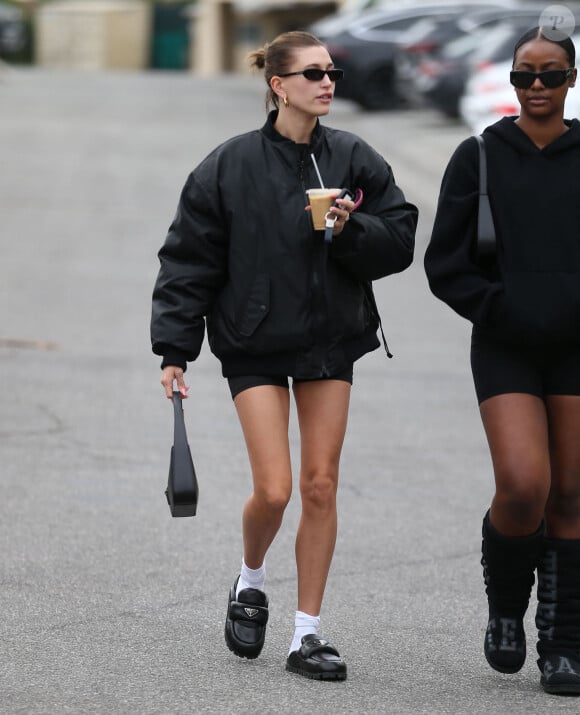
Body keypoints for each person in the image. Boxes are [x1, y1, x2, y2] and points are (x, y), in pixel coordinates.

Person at [151, 30, 417, 680]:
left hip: (330, 338)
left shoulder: (353, 156)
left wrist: (351, 230)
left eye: (332, 73)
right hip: (254, 341)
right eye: (313, 73)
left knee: (320, 485)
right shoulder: (229, 165)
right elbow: (189, 258)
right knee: (274, 490)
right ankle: (249, 580)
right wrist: (175, 348)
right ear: (278, 85)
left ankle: (306, 635)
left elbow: (402, 236)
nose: (328, 82)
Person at [425, 26, 580, 695]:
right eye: (524, 75)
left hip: (578, 346)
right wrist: (500, 308)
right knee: (524, 486)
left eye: (549, 74)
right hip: (506, 342)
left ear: (572, 78)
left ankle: (564, 645)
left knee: (572, 494)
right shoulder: (480, 155)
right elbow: (445, 264)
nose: (537, 86)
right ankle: (505, 609)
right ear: (509, 80)